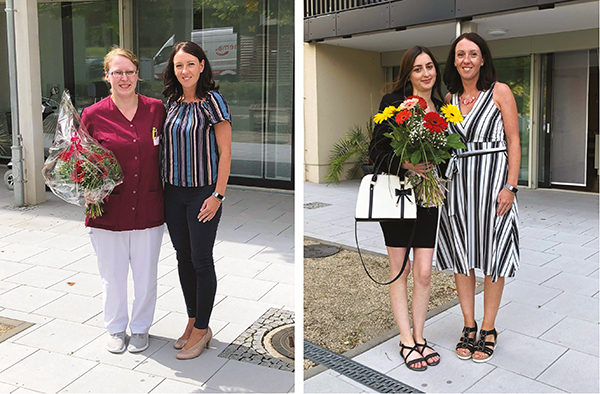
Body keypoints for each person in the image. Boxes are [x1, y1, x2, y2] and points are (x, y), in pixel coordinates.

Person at [437, 32, 520, 363]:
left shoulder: (500, 92)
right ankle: (468, 326)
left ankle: (488, 328)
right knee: (462, 255)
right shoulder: (449, 98)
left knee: (493, 255)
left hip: (494, 185)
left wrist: (510, 186)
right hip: (459, 187)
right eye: (460, 54)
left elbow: (514, 140)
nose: (466, 60)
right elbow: (444, 144)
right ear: (454, 61)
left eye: (473, 54)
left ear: (483, 59)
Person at [82, 47, 166, 354]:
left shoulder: (156, 109)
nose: (124, 78)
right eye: (117, 72)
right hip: (108, 211)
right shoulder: (93, 115)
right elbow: (82, 162)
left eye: (129, 71)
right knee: (112, 277)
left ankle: (141, 327)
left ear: (137, 74)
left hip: (148, 207)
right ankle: (116, 328)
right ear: (107, 76)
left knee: (146, 276)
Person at [368, 46, 443, 371]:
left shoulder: (443, 106)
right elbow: (377, 151)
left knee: (424, 271)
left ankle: (421, 335)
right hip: (397, 194)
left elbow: (448, 151)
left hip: (429, 197)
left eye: (429, 66)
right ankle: (406, 339)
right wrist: (408, 163)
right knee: (401, 269)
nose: (425, 73)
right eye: (418, 68)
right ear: (408, 73)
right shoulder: (393, 104)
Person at [161, 41, 232, 360]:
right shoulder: (172, 101)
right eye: (179, 66)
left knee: (202, 260)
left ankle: (203, 329)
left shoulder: (212, 102)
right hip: (173, 193)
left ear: (202, 65)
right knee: (183, 257)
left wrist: (218, 195)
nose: (184, 71)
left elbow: (226, 152)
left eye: (190, 64)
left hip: (203, 193)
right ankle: (192, 320)